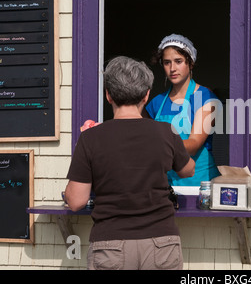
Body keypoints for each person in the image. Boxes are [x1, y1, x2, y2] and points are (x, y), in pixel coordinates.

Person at [64, 56, 195, 270]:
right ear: (146, 95)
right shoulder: (165, 132)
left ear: (108, 95)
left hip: (110, 245)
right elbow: (188, 170)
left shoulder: (90, 138)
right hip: (162, 243)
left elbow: (76, 201)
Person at [145, 34, 221, 187]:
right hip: (166, 186)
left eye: (178, 61)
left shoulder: (206, 98)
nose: (172, 68)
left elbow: (193, 145)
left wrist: (157, 145)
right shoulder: (156, 103)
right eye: (167, 63)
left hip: (200, 185)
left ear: (190, 63)